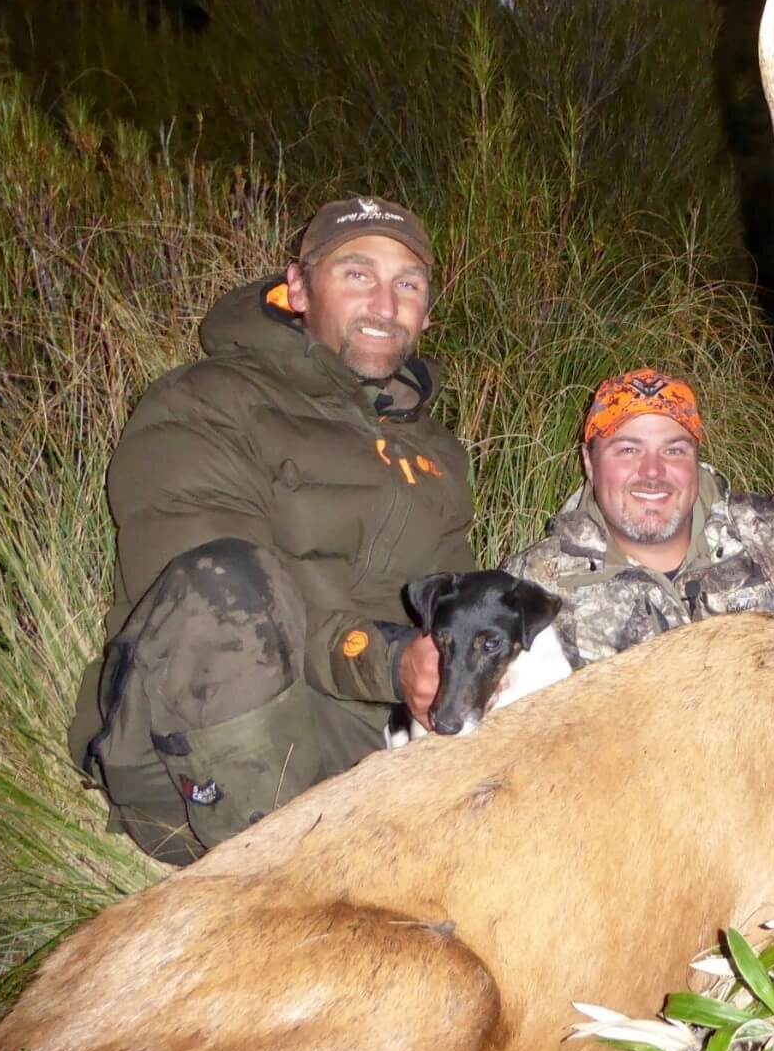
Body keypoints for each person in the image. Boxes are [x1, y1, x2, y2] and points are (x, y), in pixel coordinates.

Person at [68, 196, 473, 865]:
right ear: (297, 289)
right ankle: (278, 884)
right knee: (227, 583)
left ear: (427, 312)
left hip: (367, 734)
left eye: (408, 283)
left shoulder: (437, 452)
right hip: (195, 736)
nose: (384, 301)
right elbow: (212, 610)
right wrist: (392, 658)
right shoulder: (205, 402)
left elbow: (453, 597)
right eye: (356, 274)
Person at [502, 369, 774, 668]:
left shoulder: (772, 529)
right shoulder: (533, 581)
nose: (652, 472)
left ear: (695, 459)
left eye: (673, 451)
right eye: (627, 451)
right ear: (589, 462)